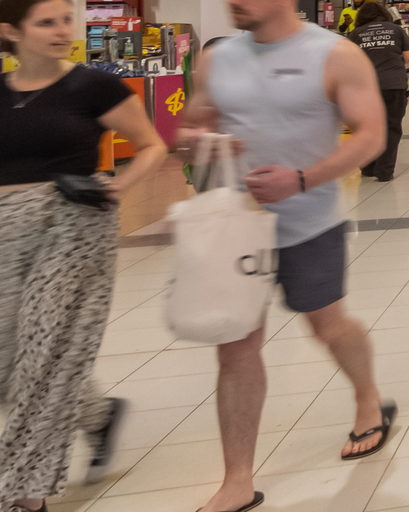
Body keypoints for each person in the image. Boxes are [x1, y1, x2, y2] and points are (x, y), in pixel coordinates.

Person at [176, 1, 397, 511]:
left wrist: (300, 180)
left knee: (328, 327)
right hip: (236, 230)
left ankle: (367, 396)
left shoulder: (335, 54)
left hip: (309, 224)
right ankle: (237, 480)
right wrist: (194, 141)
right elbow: (190, 130)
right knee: (235, 348)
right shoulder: (217, 58)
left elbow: (371, 135)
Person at [0, 0, 167, 510]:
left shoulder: (93, 86)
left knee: (43, 353)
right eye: (45, 22)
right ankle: (98, 414)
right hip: (7, 230)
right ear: (11, 31)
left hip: (72, 228)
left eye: (64, 20)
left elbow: (151, 145)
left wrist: (116, 188)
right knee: (7, 361)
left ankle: (23, 491)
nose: (61, 31)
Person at [350, 2, 409, 181]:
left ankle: (368, 167)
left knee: (367, 127)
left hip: (364, 87)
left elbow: (348, 62)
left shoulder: (356, 33)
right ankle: (384, 171)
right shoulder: (396, 30)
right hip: (393, 84)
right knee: (391, 127)